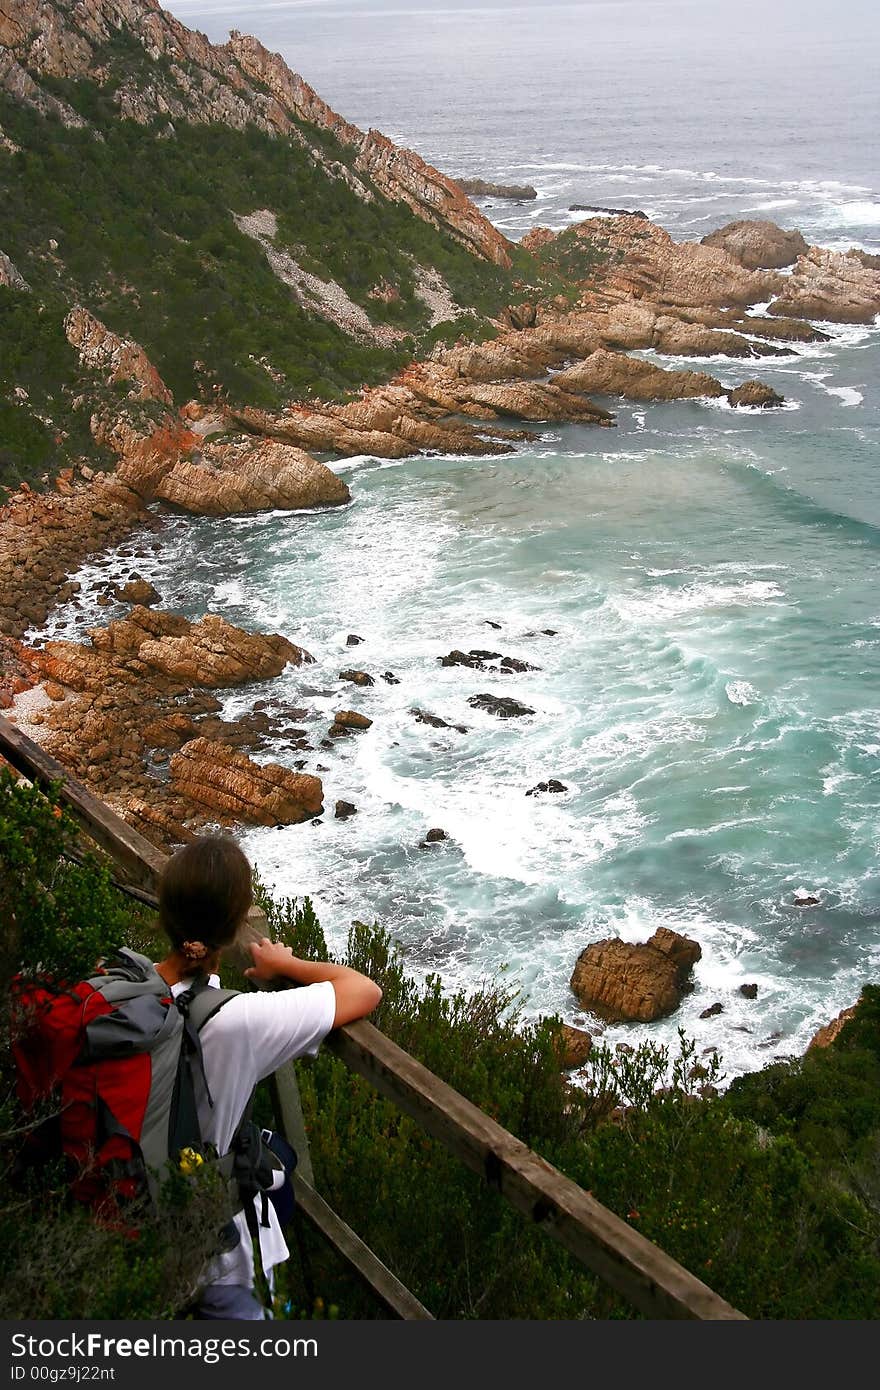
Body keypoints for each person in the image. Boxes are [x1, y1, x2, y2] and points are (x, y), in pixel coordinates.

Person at [154, 834, 382, 1320]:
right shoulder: (238, 1022)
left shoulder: (130, 990)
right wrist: (287, 964)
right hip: (212, 1257)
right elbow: (363, 991)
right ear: (238, 927)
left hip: (125, 1224)